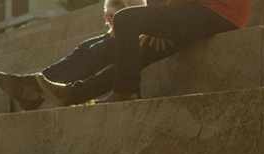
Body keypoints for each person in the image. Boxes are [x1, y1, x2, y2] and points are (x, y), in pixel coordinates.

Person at [34, 0, 251, 104]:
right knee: (140, 50)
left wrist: (165, 17)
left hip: (219, 12)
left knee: (125, 19)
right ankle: (73, 93)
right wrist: (159, 22)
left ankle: (125, 91)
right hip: (198, 11)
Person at [0, 0, 147, 110]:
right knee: (84, 47)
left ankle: (36, 88)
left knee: (95, 51)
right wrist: (113, 18)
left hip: (136, 34)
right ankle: (37, 81)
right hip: (123, 28)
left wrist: (122, 21)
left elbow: (141, 7)